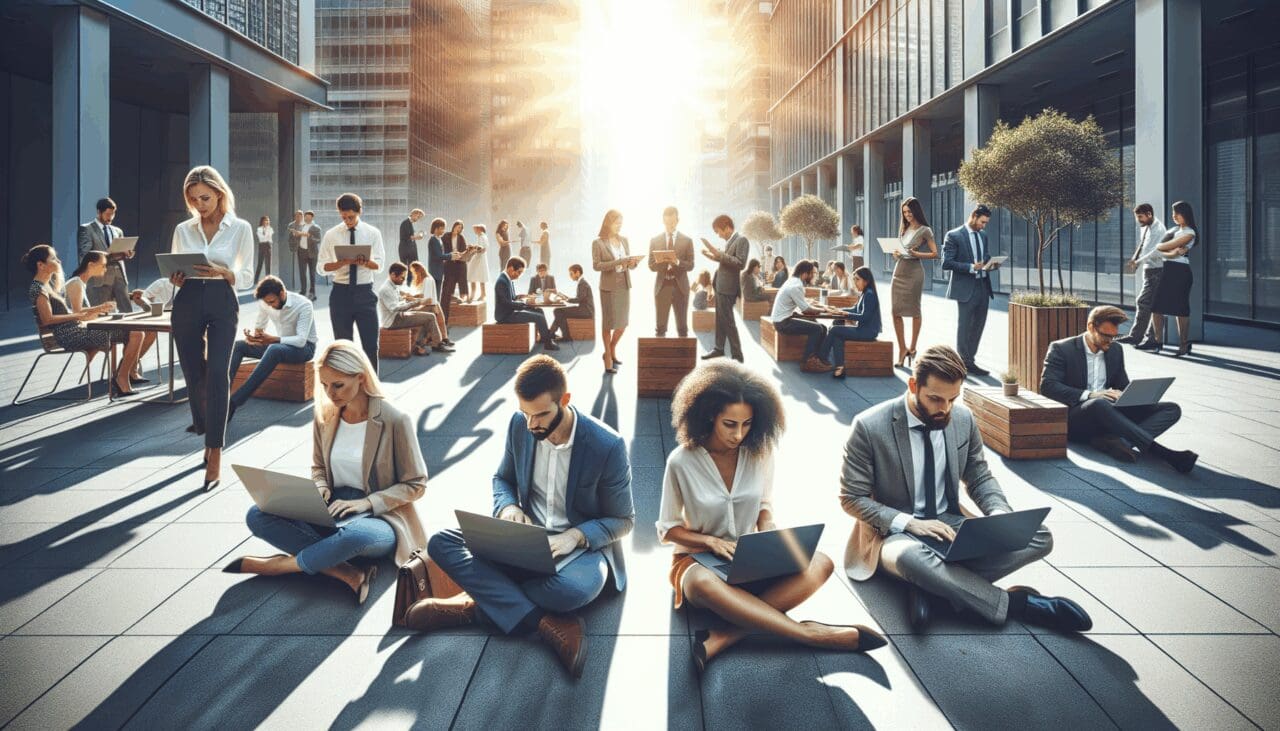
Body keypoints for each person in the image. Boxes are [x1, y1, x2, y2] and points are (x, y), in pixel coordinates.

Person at [840, 344, 1093, 633]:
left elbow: (979, 476)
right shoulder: (869, 426)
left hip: (951, 524)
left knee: (1039, 535)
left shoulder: (962, 419)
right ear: (913, 385)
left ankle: (934, 587)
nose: (944, 409)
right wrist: (910, 524)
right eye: (935, 399)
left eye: (952, 399)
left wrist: (999, 514)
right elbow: (851, 498)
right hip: (895, 535)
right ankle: (1018, 604)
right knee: (909, 558)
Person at [659, 360, 885, 671]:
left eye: (747, 424)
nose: (739, 434)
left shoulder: (760, 454)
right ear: (710, 414)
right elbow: (668, 530)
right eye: (730, 424)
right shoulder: (681, 461)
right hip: (698, 561)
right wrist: (710, 542)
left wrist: (767, 528)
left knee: (821, 562)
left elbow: (764, 503)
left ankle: (725, 636)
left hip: (749, 558)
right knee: (700, 584)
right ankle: (809, 635)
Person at [422, 355, 635, 677]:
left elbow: (623, 520)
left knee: (571, 592)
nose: (532, 424)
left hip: (578, 549)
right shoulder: (519, 425)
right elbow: (502, 480)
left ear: (565, 400)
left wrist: (573, 537)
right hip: (524, 539)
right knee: (441, 542)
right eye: (525, 413)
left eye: (541, 414)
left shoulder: (606, 445)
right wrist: (509, 508)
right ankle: (547, 624)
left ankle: (478, 606)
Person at [225, 340, 428, 606]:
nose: (330, 393)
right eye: (324, 386)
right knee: (258, 514)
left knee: (357, 536)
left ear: (360, 378)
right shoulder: (326, 417)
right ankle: (344, 571)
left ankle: (280, 566)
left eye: (338, 385)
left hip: (380, 518)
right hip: (331, 508)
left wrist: (366, 503)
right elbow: (319, 467)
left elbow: (416, 484)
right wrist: (319, 487)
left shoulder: (394, 420)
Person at [169, 165, 255, 491]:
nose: (200, 205)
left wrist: (224, 271)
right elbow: (177, 266)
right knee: (194, 374)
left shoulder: (241, 227)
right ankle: (207, 430)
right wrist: (175, 277)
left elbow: (246, 276)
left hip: (222, 297)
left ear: (219, 193)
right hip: (188, 298)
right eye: (194, 200)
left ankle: (216, 449)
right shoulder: (184, 229)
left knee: (219, 373)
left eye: (205, 197)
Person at [1040, 306, 1197, 472]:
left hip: (1110, 412)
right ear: (1091, 327)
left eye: (1114, 337)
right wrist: (1091, 394)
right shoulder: (1062, 349)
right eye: (1106, 336)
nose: (1110, 341)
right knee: (1098, 403)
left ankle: (1118, 442)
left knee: (1171, 409)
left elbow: (1122, 384)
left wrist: (1134, 395)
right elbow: (1048, 386)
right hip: (1077, 419)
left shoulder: (1115, 349)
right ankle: (1165, 454)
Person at [24, 245, 146, 395]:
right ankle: (122, 377)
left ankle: (123, 374)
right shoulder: (39, 288)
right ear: (41, 265)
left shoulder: (46, 286)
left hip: (76, 330)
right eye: (54, 258)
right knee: (137, 333)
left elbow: (65, 314)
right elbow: (47, 319)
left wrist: (94, 310)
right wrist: (79, 315)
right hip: (71, 335)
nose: (59, 261)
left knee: (135, 331)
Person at [227, 275, 318, 420]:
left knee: (274, 349)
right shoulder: (266, 303)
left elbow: (301, 341)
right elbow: (260, 327)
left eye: (272, 302)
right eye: (266, 303)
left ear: (282, 294)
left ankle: (234, 402)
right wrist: (255, 338)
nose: (270, 305)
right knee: (239, 346)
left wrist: (273, 339)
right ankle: (222, 398)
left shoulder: (304, 305)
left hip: (304, 349)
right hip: (279, 345)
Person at [67, 251, 157, 384]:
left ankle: (129, 370)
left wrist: (132, 297)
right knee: (137, 333)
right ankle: (122, 376)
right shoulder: (76, 282)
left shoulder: (81, 282)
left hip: (91, 327)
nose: (105, 269)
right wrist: (100, 308)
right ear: (91, 265)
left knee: (150, 331)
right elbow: (77, 312)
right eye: (103, 265)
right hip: (80, 331)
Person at [318, 193, 383, 371]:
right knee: (344, 348)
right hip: (340, 294)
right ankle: (348, 392)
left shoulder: (373, 233)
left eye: (351, 217)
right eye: (343, 217)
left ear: (359, 211)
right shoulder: (331, 235)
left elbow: (380, 265)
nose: (347, 221)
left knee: (370, 345)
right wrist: (340, 263)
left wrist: (365, 262)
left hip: (365, 293)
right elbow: (321, 267)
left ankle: (372, 390)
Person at [941, 204, 996, 375]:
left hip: (983, 286)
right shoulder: (954, 235)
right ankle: (962, 362)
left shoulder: (983, 236)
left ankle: (970, 361)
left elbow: (985, 256)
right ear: (973, 216)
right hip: (966, 288)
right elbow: (946, 263)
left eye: (986, 223)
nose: (983, 226)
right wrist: (971, 267)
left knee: (978, 325)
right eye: (982, 222)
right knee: (965, 326)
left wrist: (990, 263)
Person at [889, 197, 939, 369]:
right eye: (904, 212)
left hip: (914, 273)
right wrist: (895, 253)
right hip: (899, 271)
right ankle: (902, 349)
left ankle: (913, 347)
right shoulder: (904, 228)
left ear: (916, 211)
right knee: (895, 312)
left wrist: (917, 254)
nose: (907, 215)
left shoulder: (925, 230)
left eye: (909, 212)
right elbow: (898, 254)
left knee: (915, 311)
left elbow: (935, 253)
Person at [592, 209, 639, 373]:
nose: (620, 226)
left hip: (624, 285)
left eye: (621, 223)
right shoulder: (598, 243)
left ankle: (609, 350)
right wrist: (617, 261)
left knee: (623, 324)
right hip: (608, 287)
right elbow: (596, 266)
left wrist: (633, 263)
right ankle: (608, 360)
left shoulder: (624, 240)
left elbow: (628, 264)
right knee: (608, 323)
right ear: (608, 223)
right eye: (617, 223)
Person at [1148, 200, 1198, 357]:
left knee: (1180, 309)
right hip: (1167, 270)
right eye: (1173, 213)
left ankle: (1183, 345)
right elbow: (1159, 247)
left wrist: (1166, 249)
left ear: (1185, 214)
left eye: (1177, 213)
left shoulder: (1190, 233)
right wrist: (1170, 251)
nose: (1174, 216)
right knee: (1156, 307)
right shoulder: (1174, 229)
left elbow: (1163, 247)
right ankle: (1158, 342)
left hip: (1181, 272)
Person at [700, 214, 751, 363]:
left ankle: (737, 356)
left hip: (728, 287)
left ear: (727, 227)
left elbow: (740, 263)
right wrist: (711, 255)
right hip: (721, 286)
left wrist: (718, 253)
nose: (718, 234)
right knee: (720, 319)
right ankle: (719, 348)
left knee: (728, 320)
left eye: (718, 231)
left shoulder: (742, 240)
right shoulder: (731, 241)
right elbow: (725, 260)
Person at [769, 260, 834, 373]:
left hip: (783, 318)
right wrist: (824, 309)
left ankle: (818, 359)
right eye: (812, 273)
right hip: (783, 323)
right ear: (805, 273)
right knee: (817, 328)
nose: (813, 276)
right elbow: (806, 309)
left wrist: (816, 307)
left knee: (822, 327)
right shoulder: (796, 285)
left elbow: (801, 304)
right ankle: (807, 362)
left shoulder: (792, 281)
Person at [1118, 203, 1167, 347]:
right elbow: (1143, 245)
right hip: (1149, 270)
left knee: (1144, 302)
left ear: (1149, 214)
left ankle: (1137, 337)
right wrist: (1136, 259)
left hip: (1157, 271)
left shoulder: (1158, 230)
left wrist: (1138, 261)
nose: (1138, 220)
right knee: (1153, 305)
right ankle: (1150, 339)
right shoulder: (1146, 227)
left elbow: (1156, 252)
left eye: (1140, 217)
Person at [821, 266, 882, 379]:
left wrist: (846, 314)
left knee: (834, 329)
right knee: (837, 336)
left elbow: (865, 317)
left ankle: (821, 357)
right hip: (864, 330)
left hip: (867, 332)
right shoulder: (865, 293)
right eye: (854, 279)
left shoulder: (869, 294)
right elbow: (855, 309)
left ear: (866, 280)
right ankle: (840, 369)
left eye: (857, 279)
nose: (855, 282)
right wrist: (839, 310)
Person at [77, 197, 134, 312]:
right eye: (108, 214)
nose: (110, 218)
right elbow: (84, 256)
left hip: (119, 276)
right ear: (99, 212)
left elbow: (122, 252)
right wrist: (108, 256)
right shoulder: (86, 229)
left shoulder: (117, 231)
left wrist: (128, 253)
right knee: (102, 314)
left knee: (127, 312)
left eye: (113, 214)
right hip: (99, 278)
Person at [377, 262, 445, 356]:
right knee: (430, 317)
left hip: (399, 316)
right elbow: (395, 308)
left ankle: (422, 345)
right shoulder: (386, 289)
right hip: (393, 321)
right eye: (402, 277)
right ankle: (434, 344)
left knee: (429, 314)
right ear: (393, 275)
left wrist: (409, 299)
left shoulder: (393, 286)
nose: (404, 280)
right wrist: (417, 302)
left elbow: (400, 301)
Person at [648, 206, 695, 338]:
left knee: (682, 328)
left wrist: (677, 262)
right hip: (662, 286)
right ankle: (661, 358)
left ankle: (684, 358)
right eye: (667, 222)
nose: (670, 225)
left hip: (680, 287)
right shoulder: (655, 240)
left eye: (672, 222)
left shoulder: (687, 241)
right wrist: (663, 261)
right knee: (660, 328)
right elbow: (651, 265)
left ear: (677, 220)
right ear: (663, 221)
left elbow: (691, 265)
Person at [495, 257, 559, 351]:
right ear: (511, 269)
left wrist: (520, 297)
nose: (519, 275)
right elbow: (506, 303)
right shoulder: (502, 281)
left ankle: (543, 337)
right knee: (539, 317)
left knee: (539, 310)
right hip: (506, 315)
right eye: (519, 272)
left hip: (510, 310)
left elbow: (511, 298)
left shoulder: (508, 279)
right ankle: (548, 343)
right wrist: (524, 305)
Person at [406, 261, 455, 348]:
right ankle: (444, 339)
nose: (413, 275)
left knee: (430, 315)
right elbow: (424, 295)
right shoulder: (428, 279)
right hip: (433, 304)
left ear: (418, 271)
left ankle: (435, 341)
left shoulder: (426, 280)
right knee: (440, 318)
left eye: (413, 272)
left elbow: (427, 299)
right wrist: (413, 296)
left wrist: (412, 299)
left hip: (430, 305)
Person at [550, 264, 594, 341]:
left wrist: (566, 299)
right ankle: (551, 333)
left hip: (586, 311)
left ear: (577, 272)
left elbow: (579, 299)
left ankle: (562, 336)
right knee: (559, 312)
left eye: (571, 274)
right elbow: (580, 299)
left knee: (557, 311)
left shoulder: (582, 283)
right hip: (584, 310)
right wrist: (565, 297)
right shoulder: (582, 282)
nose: (570, 276)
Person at [441, 220, 470, 317]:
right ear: (454, 226)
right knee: (449, 279)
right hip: (449, 260)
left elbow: (464, 250)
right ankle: (450, 296)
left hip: (459, 261)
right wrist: (450, 256)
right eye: (458, 226)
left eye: (461, 228)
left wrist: (468, 250)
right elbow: (443, 248)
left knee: (462, 272)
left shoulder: (461, 237)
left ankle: (463, 296)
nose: (459, 229)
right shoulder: (446, 236)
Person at [301, 210, 322, 300]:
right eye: (305, 217)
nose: (307, 219)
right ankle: (303, 291)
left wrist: (310, 236)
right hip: (302, 251)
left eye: (309, 217)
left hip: (312, 253)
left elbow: (318, 240)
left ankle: (312, 292)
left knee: (312, 273)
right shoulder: (301, 226)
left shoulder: (316, 228)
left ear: (312, 218)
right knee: (302, 273)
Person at [286, 210, 307, 292]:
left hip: (303, 248)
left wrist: (300, 234)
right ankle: (292, 286)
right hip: (293, 248)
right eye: (296, 216)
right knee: (294, 267)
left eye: (299, 216)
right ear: (294, 216)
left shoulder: (305, 225)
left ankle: (303, 288)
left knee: (302, 269)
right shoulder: (291, 225)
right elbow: (289, 237)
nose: (298, 217)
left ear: (302, 217)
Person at [399, 209, 425, 273]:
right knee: (408, 271)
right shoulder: (406, 223)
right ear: (413, 214)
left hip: (409, 251)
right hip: (406, 251)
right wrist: (419, 236)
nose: (418, 219)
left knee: (412, 271)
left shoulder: (409, 223)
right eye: (418, 217)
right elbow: (409, 237)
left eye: (419, 218)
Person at [468, 223, 489, 302]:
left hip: (479, 259)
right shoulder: (482, 237)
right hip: (480, 259)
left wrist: (473, 248)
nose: (474, 231)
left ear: (479, 229)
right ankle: (482, 293)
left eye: (475, 229)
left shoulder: (482, 237)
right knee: (481, 276)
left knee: (472, 275)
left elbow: (482, 249)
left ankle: (473, 294)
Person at [255, 215, 274, 280]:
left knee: (268, 264)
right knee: (260, 264)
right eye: (266, 220)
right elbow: (261, 238)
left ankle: (268, 280)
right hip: (262, 246)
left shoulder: (270, 229)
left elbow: (269, 237)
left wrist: (265, 236)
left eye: (268, 220)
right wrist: (266, 236)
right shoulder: (259, 229)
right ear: (262, 221)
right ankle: (255, 280)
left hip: (268, 246)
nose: (267, 221)